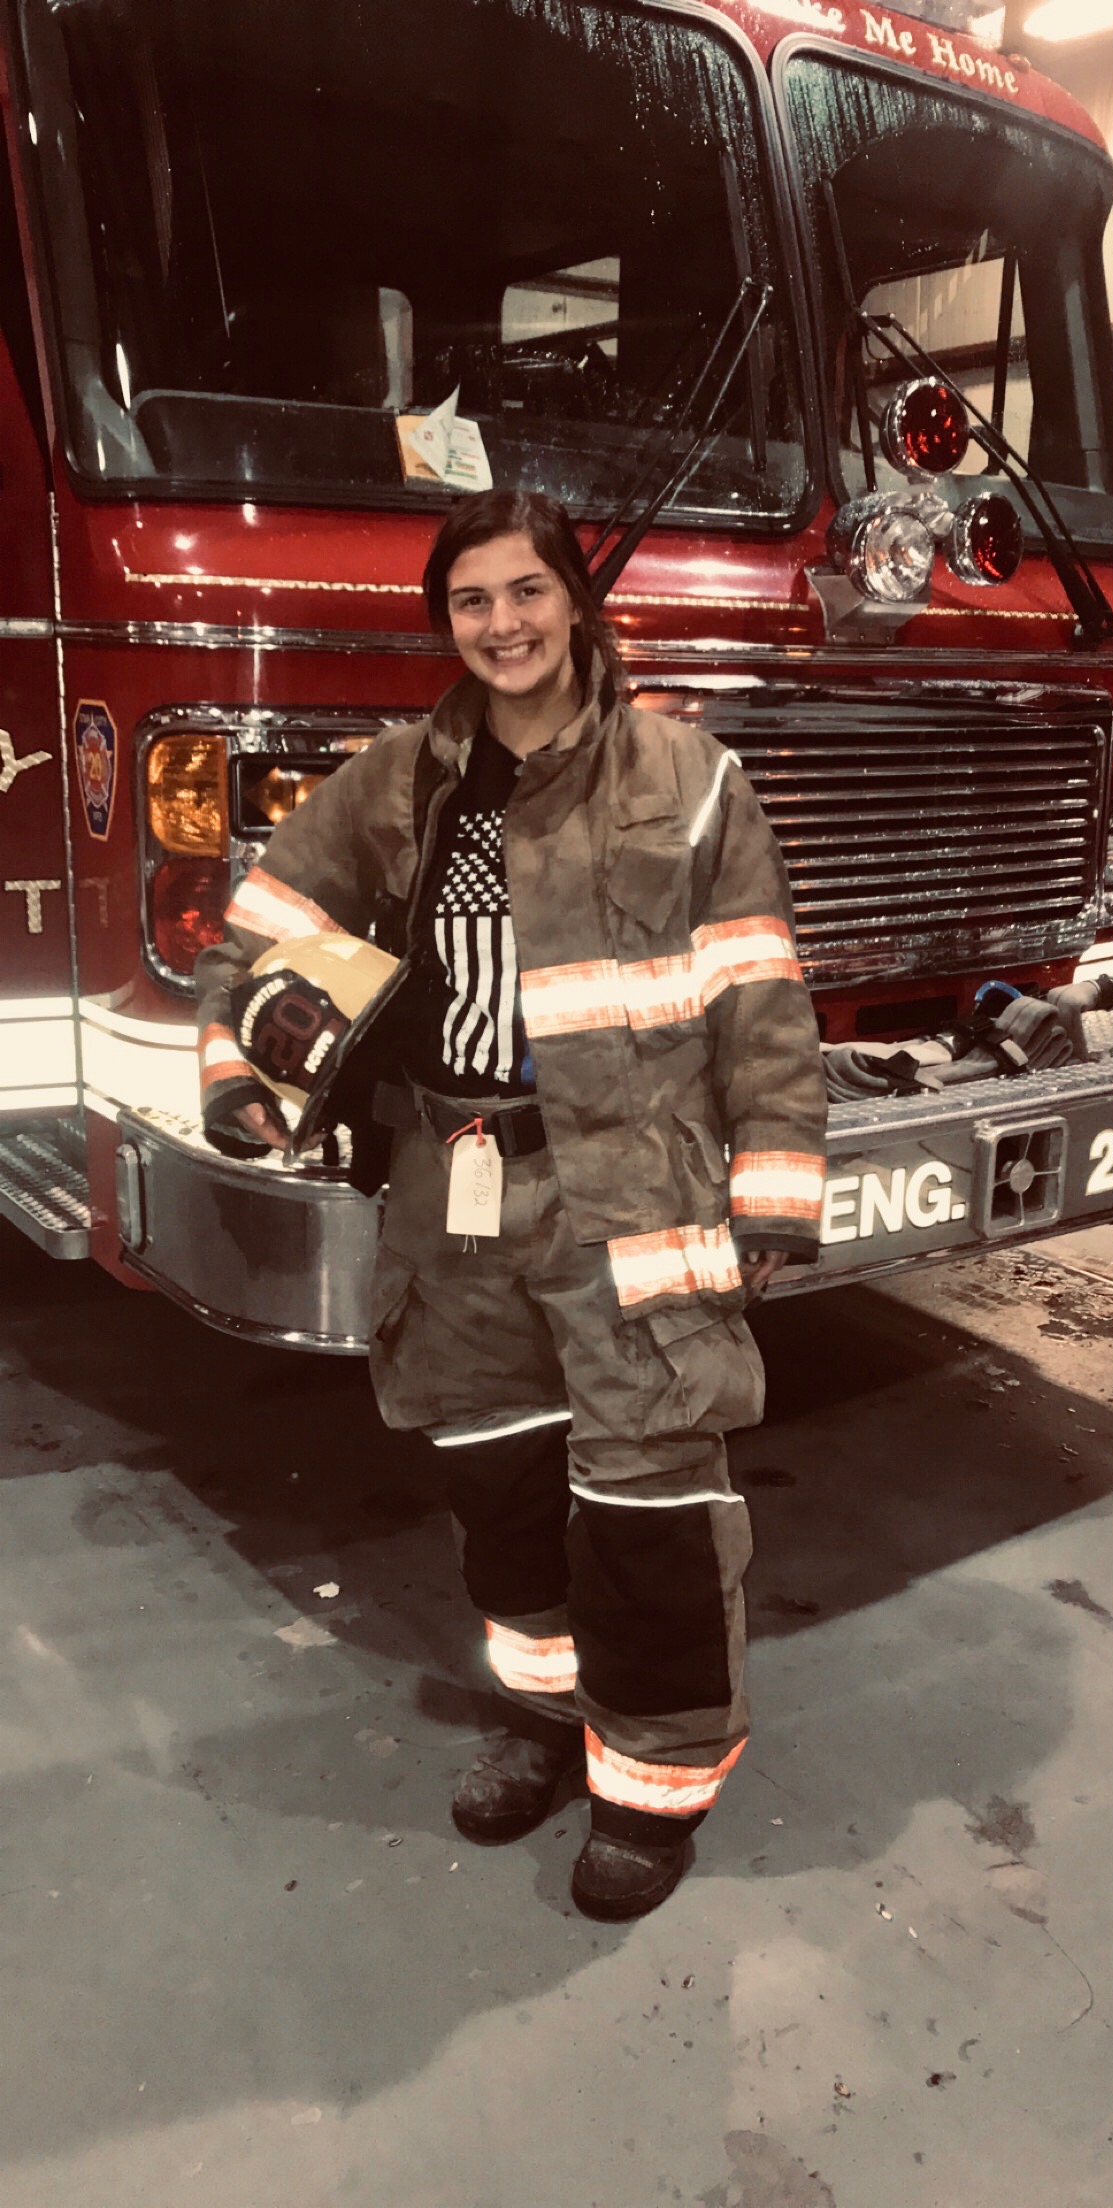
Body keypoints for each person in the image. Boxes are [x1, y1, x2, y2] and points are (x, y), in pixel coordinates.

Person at [196, 489, 828, 1920]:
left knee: (650, 1500)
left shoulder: (688, 776)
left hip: (635, 1195)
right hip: (454, 1199)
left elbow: (758, 992)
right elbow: (268, 925)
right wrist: (246, 1072)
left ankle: (650, 1787)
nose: (502, 624)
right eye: (471, 601)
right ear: (446, 622)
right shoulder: (403, 778)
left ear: (573, 602)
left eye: (526, 592)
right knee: (502, 1492)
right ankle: (547, 1722)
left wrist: (775, 1181)